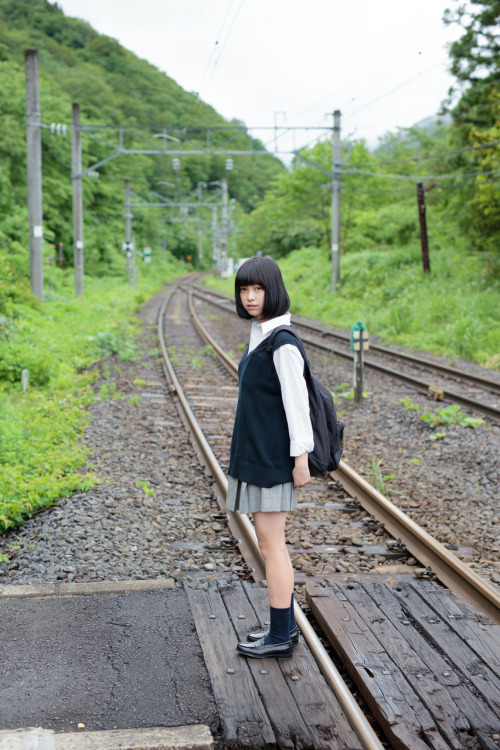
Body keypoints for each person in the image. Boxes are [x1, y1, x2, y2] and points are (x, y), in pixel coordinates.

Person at [226, 255, 313, 660]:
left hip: (272, 459)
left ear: (272, 290)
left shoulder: (282, 342)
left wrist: (301, 459)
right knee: (268, 542)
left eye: (257, 289)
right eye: (244, 289)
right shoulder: (260, 334)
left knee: (272, 544)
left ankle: (280, 635)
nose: (250, 297)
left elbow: (298, 407)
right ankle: (285, 627)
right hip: (257, 454)